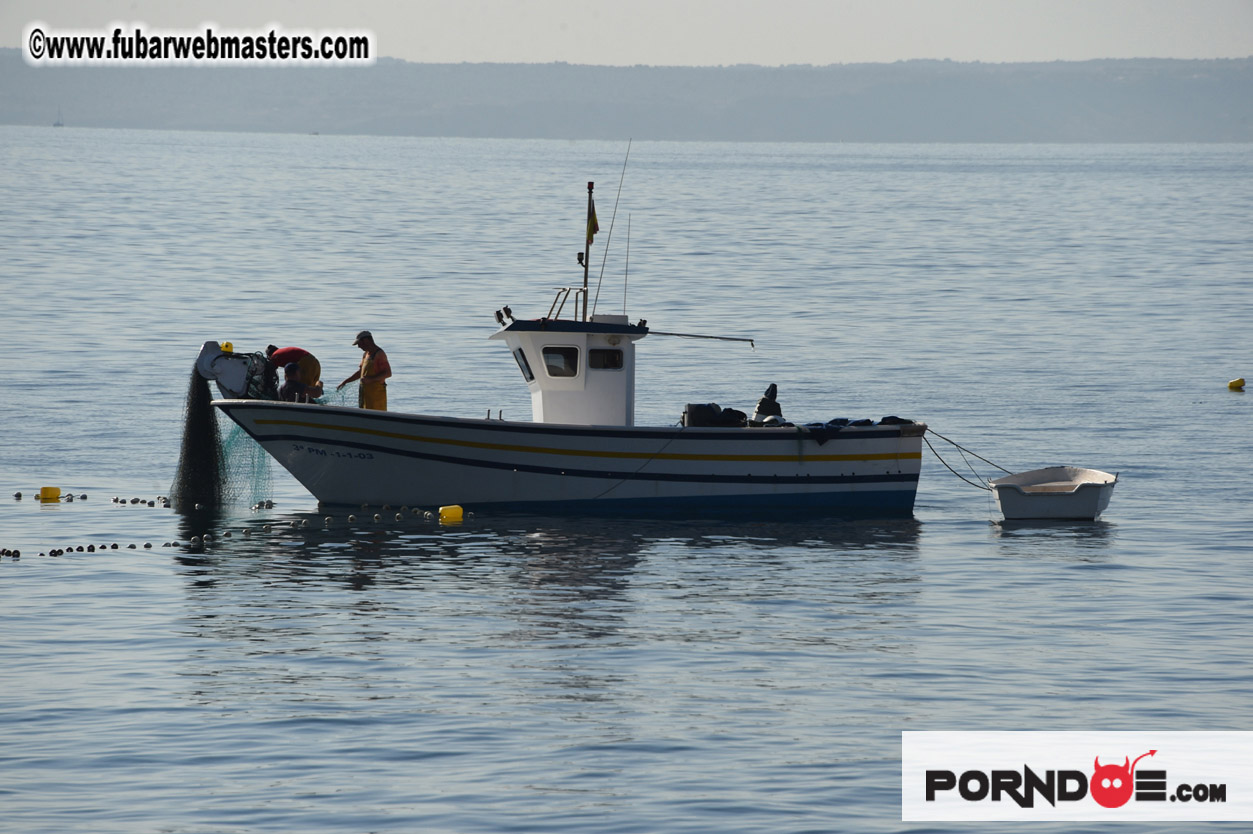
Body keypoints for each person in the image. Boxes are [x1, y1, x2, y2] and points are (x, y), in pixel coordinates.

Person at [337, 330, 391, 410]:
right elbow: (360, 372)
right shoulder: (366, 354)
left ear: (366, 340)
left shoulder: (379, 354)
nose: (359, 346)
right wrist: (345, 382)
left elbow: (388, 373)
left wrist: (371, 379)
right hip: (365, 394)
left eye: (359, 343)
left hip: (376, 396)